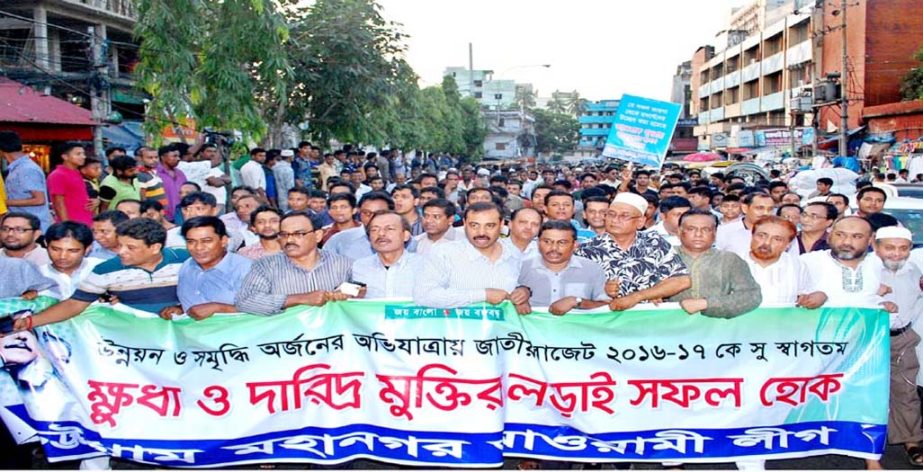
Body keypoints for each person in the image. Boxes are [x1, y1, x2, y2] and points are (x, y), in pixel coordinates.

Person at [18, 218, 191, 329]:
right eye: (120, 245)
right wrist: (30, 322)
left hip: (186, 336)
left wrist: (183, 308)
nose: (121, 252)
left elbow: (210, 295)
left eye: (130, 247)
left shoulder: (186, 261)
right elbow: (74, 305)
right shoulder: (105, 270)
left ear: (155, 248)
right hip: (135, 342)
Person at [575, 192, 691, 311]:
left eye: (624, 216)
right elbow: (574, 293)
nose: (615, 220)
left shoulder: (655, 243)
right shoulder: (587, 250)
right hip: (605, 321)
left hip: (646, 320)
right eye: (611, 214)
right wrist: (601, 291)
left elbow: (682, 280)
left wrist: (643, 295)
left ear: (640, 222)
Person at [235, 211, 352, 316]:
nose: (289, 240)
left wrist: (349, 293)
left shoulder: (342, 264)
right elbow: (245, 301)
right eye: (284, 235)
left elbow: (360, 290)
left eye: (298, 234)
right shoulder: (265, 266)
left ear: (318, 235)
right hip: (288, 336)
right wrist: (299, 299)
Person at [872, 226, 923, 466]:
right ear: (875, 246)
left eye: (903, 248)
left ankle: (911, 440)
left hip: (901, 338)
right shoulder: (864, 270)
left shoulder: (915, 269)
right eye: (889, 248)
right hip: (866, 340)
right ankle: (860, 445)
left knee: (906, 392)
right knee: (863, 392)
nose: (896, 254)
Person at [414, 202, 527, 308]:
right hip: (458, 328)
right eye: (474, 225)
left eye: (490, 226)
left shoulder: (513, 253)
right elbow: (424, 295)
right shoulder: (444, 253)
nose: (481, 232)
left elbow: (514, 285)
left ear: (502, 224)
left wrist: (521, 292)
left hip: (502, 327)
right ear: (464, 223)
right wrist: (482, 295)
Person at [667, 209, 761, 318]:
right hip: (669, 327)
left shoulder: (729, 260)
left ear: (715, 232)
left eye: (706, 229)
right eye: (691, 229)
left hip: (717, 329)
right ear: (679, 231)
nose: (698, 234)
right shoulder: (662, 258)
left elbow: (751, 295)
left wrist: (707, 304)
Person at [514, 220, 609, 316]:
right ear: (538, 243)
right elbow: (503, 302)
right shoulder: (521, 268)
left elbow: (607, 308)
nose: (554, 248)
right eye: (547, 242)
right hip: (531, 329)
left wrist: (578, 302)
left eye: (562, 242)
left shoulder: (592, 269)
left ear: (575, 245)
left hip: (577, 329)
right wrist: (515, 302)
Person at [174, 216, 252, 321]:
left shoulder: (246, 269)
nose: (198, 247)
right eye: (191, 242)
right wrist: (180, 309)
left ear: (223, 241)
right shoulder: (187, 266)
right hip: (194, 334)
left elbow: (271, 307)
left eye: (206, 241)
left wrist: (220, 308)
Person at [742, 216, 824, 306]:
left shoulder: (797, 266)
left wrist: (817, 297)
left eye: (777, 239)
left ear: (788, 245)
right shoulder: (730, 263)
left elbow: (807, 294)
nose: (767, 243)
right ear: (752, 236)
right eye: (761, 236)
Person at [352, 210, 422, 298]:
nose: (381, 234)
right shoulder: (359, 267)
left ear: (406, 235)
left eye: (389, 229)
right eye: (374, 230)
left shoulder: (424, 266)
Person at [716, 192, 798, 260]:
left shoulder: (784, 233)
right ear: (745, 208)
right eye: (760, 208)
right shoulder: (724, 231)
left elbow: (792, 260)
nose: (766, 213)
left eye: (770, 209)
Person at [0, 130, 51, 230]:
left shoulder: (26, 169)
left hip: (33, 229)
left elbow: (39, 199)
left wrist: (4, 202)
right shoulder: (16, 168)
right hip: (22, 226)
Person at [38, 222, 102, 299]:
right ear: (45, 244)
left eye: (72, 251)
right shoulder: (37, 275)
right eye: (55, 249)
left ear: (88, 249)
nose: (62, 256)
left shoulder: (102, 268)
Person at [324, 192, 393, 260]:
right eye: (366, 213)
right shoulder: (339, 240)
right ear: (359, 212)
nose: (372, 217)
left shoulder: (401, 238)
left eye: (379, 213)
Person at [167, 192, 244, 251]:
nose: (192, 213)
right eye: (186, 209)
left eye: (199, 209)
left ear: (214, 210)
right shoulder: (170, 236)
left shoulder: (232, 235)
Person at [46, 142, 94, 225]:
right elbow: (58, 202)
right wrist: (66, 225)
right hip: (72, 223)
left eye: (83, 153)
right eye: (78, 154)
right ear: (65, 157)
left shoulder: (76, 172)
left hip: (85, 221)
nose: (83, 157)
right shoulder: (58, 175)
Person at [155, 144, 187, 223]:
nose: (178, 159)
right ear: (163, 157)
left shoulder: (180, 173)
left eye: (178, 156)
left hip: (180, 216)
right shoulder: (155, 173)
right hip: (162, 217)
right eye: (174, 156)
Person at [135, 146, 169, 211]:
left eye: (156, 157)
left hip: (161, 211)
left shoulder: (153, 171)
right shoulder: (141, 175)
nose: (154, 160)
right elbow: (142, 197)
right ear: (141, 159)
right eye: (150, 158)